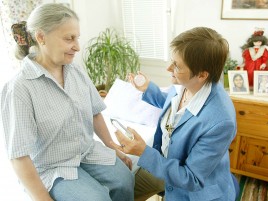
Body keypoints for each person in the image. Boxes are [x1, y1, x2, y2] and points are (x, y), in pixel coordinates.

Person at [0, 3, 134, 201]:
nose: (77, 46)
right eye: (69, 38)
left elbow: (95, 112)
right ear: (41, 37)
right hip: (52, 167)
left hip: (87, 153)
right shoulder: (19, 88)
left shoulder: (76, 70)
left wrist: (111, 145)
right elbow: (19, 155)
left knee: (124, 181)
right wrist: (42, 198)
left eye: (77, 38)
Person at [111, 27, 239, 201]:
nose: (168, 68)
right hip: (168, 168)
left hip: (194, 193)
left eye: (176, 66)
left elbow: (191, 178)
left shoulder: (221, 121)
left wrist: (143, 152)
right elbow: (172, 105)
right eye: (172, 61)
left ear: (201, 75)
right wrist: (149, 89)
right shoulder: (186, 84)